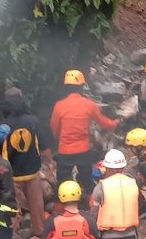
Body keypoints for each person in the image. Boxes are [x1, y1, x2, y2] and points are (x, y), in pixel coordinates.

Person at [50, 69, 120, 206]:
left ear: (66, 87)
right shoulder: (89, 104)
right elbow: (103, 122)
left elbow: (54, 127)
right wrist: (115, 123)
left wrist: (61, 140)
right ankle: (95, 205)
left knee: (63, 181)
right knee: (87, 179)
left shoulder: (59, 106)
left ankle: (60, 209)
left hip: (65, 151)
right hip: (83, 150)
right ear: (82, 86)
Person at [1, 87, 55, 238]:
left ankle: (13, 238)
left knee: (12, 208)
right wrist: (50, 162)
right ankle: (40, 236)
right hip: (32, 172)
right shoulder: (33, 120)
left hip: (12, 175)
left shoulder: (3, 125)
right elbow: (43, 146)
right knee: (37, 208)